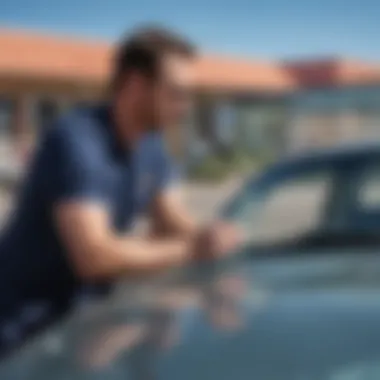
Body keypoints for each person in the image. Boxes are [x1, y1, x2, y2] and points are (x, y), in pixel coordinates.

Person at [0, 25, 241, 358]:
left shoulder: (151, 144)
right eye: (176, 93)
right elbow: (94, 256)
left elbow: (173, 219)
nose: (186, 106)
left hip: (85, 328)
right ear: (136, 86)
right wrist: (193, 249)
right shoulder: (76, 142)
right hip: (22, 332)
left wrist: (215, 242)